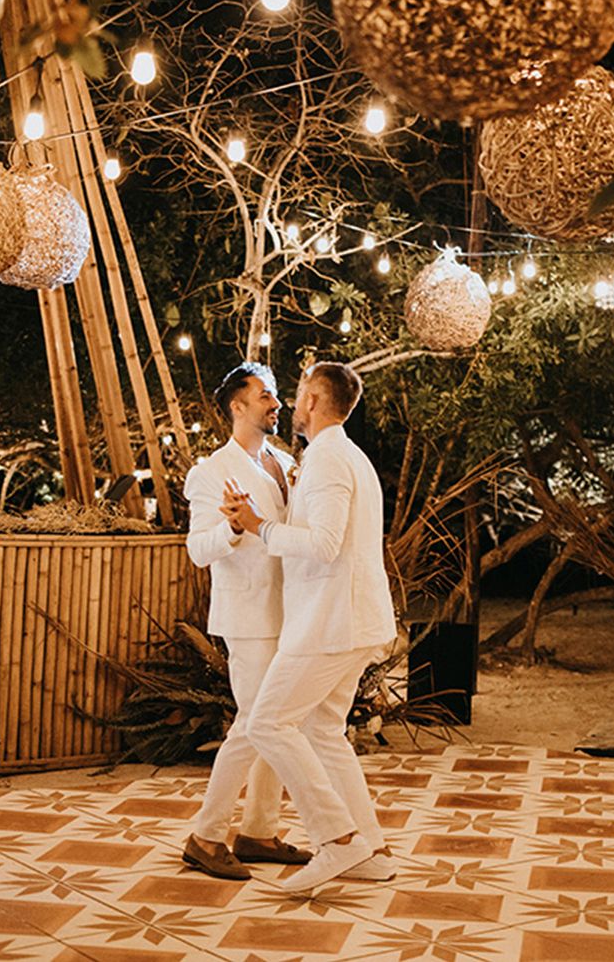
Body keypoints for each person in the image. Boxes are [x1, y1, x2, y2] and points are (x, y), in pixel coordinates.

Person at [222, 361, 397, 894]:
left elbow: (323, 544)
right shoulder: (350, 457)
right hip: (351, 618)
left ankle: (337, 840)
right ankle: (372, 850)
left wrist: (259, 526)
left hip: (329, 621)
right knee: (323, 732)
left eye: (298, 394)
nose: (292, 405)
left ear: (315, 402)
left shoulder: (325, 460)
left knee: (268, 722)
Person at [181, 362, 311, 880]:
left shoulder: (284, 462)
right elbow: (197, 550)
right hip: (249, 616)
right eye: (265, 395)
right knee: (254, 726)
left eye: (276, 394)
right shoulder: (210, 471)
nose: (275, 403)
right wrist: (233, 529)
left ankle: (258, 829)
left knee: (273, 725)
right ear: (237, 406)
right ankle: (205, 835)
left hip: (292, 612)